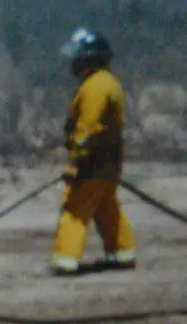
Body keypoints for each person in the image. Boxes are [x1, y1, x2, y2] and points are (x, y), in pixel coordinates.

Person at [50, 28, 137, 275]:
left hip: (92, 164)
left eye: (77, 58)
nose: (73, 64)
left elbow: (88, 128)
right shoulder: (108, 83)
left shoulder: (96, 87)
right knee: (106, 207)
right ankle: (122, 252)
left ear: (89, 59)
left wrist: (75, 162)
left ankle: (65, 260)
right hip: (108, 164)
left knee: (74, 210)